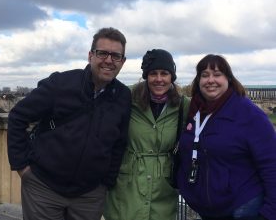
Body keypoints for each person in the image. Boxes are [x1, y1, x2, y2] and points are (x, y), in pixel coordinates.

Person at [7, 27, 131, 220]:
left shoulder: (123, 96)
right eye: (102, 53)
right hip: (43, 188)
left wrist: (106, 182)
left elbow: (119, 143)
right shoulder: (61, 84)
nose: (109, 60)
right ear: (90, 55)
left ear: (122, 62)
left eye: (116, 56)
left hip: (90, 195)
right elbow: (18, 116)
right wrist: (22, 167)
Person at [176, 54, 276, 220]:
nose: (210, 80)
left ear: (228, 78)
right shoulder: (196, 110)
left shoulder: (248, 113)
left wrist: (270, 213)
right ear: (198, 80)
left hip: (243, 207)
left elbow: (271, 163)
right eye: (205, 75)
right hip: (208, 209)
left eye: (217, 74)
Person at [104, 49, 190, 220]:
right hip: (127, 184)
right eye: (153, 73)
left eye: (164, 73)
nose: (159, 79)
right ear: (146, 76)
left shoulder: (183, 105)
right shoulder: (127, 98)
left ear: (171, 76)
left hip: (163, 188)